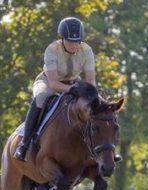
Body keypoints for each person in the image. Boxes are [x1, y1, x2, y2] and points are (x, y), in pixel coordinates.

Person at [14, 17, 121, 162]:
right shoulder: (52, 50)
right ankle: (24, 144)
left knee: (100, 107)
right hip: (48, 82)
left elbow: (91, 81)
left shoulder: (87, 50)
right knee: (41, 98)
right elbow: (53, 83)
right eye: (70, 41)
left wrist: (93, 98)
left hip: (74, 83)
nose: (74, 45)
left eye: (77, 42)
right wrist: (72, 89)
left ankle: (108, 149)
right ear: (62, 39)